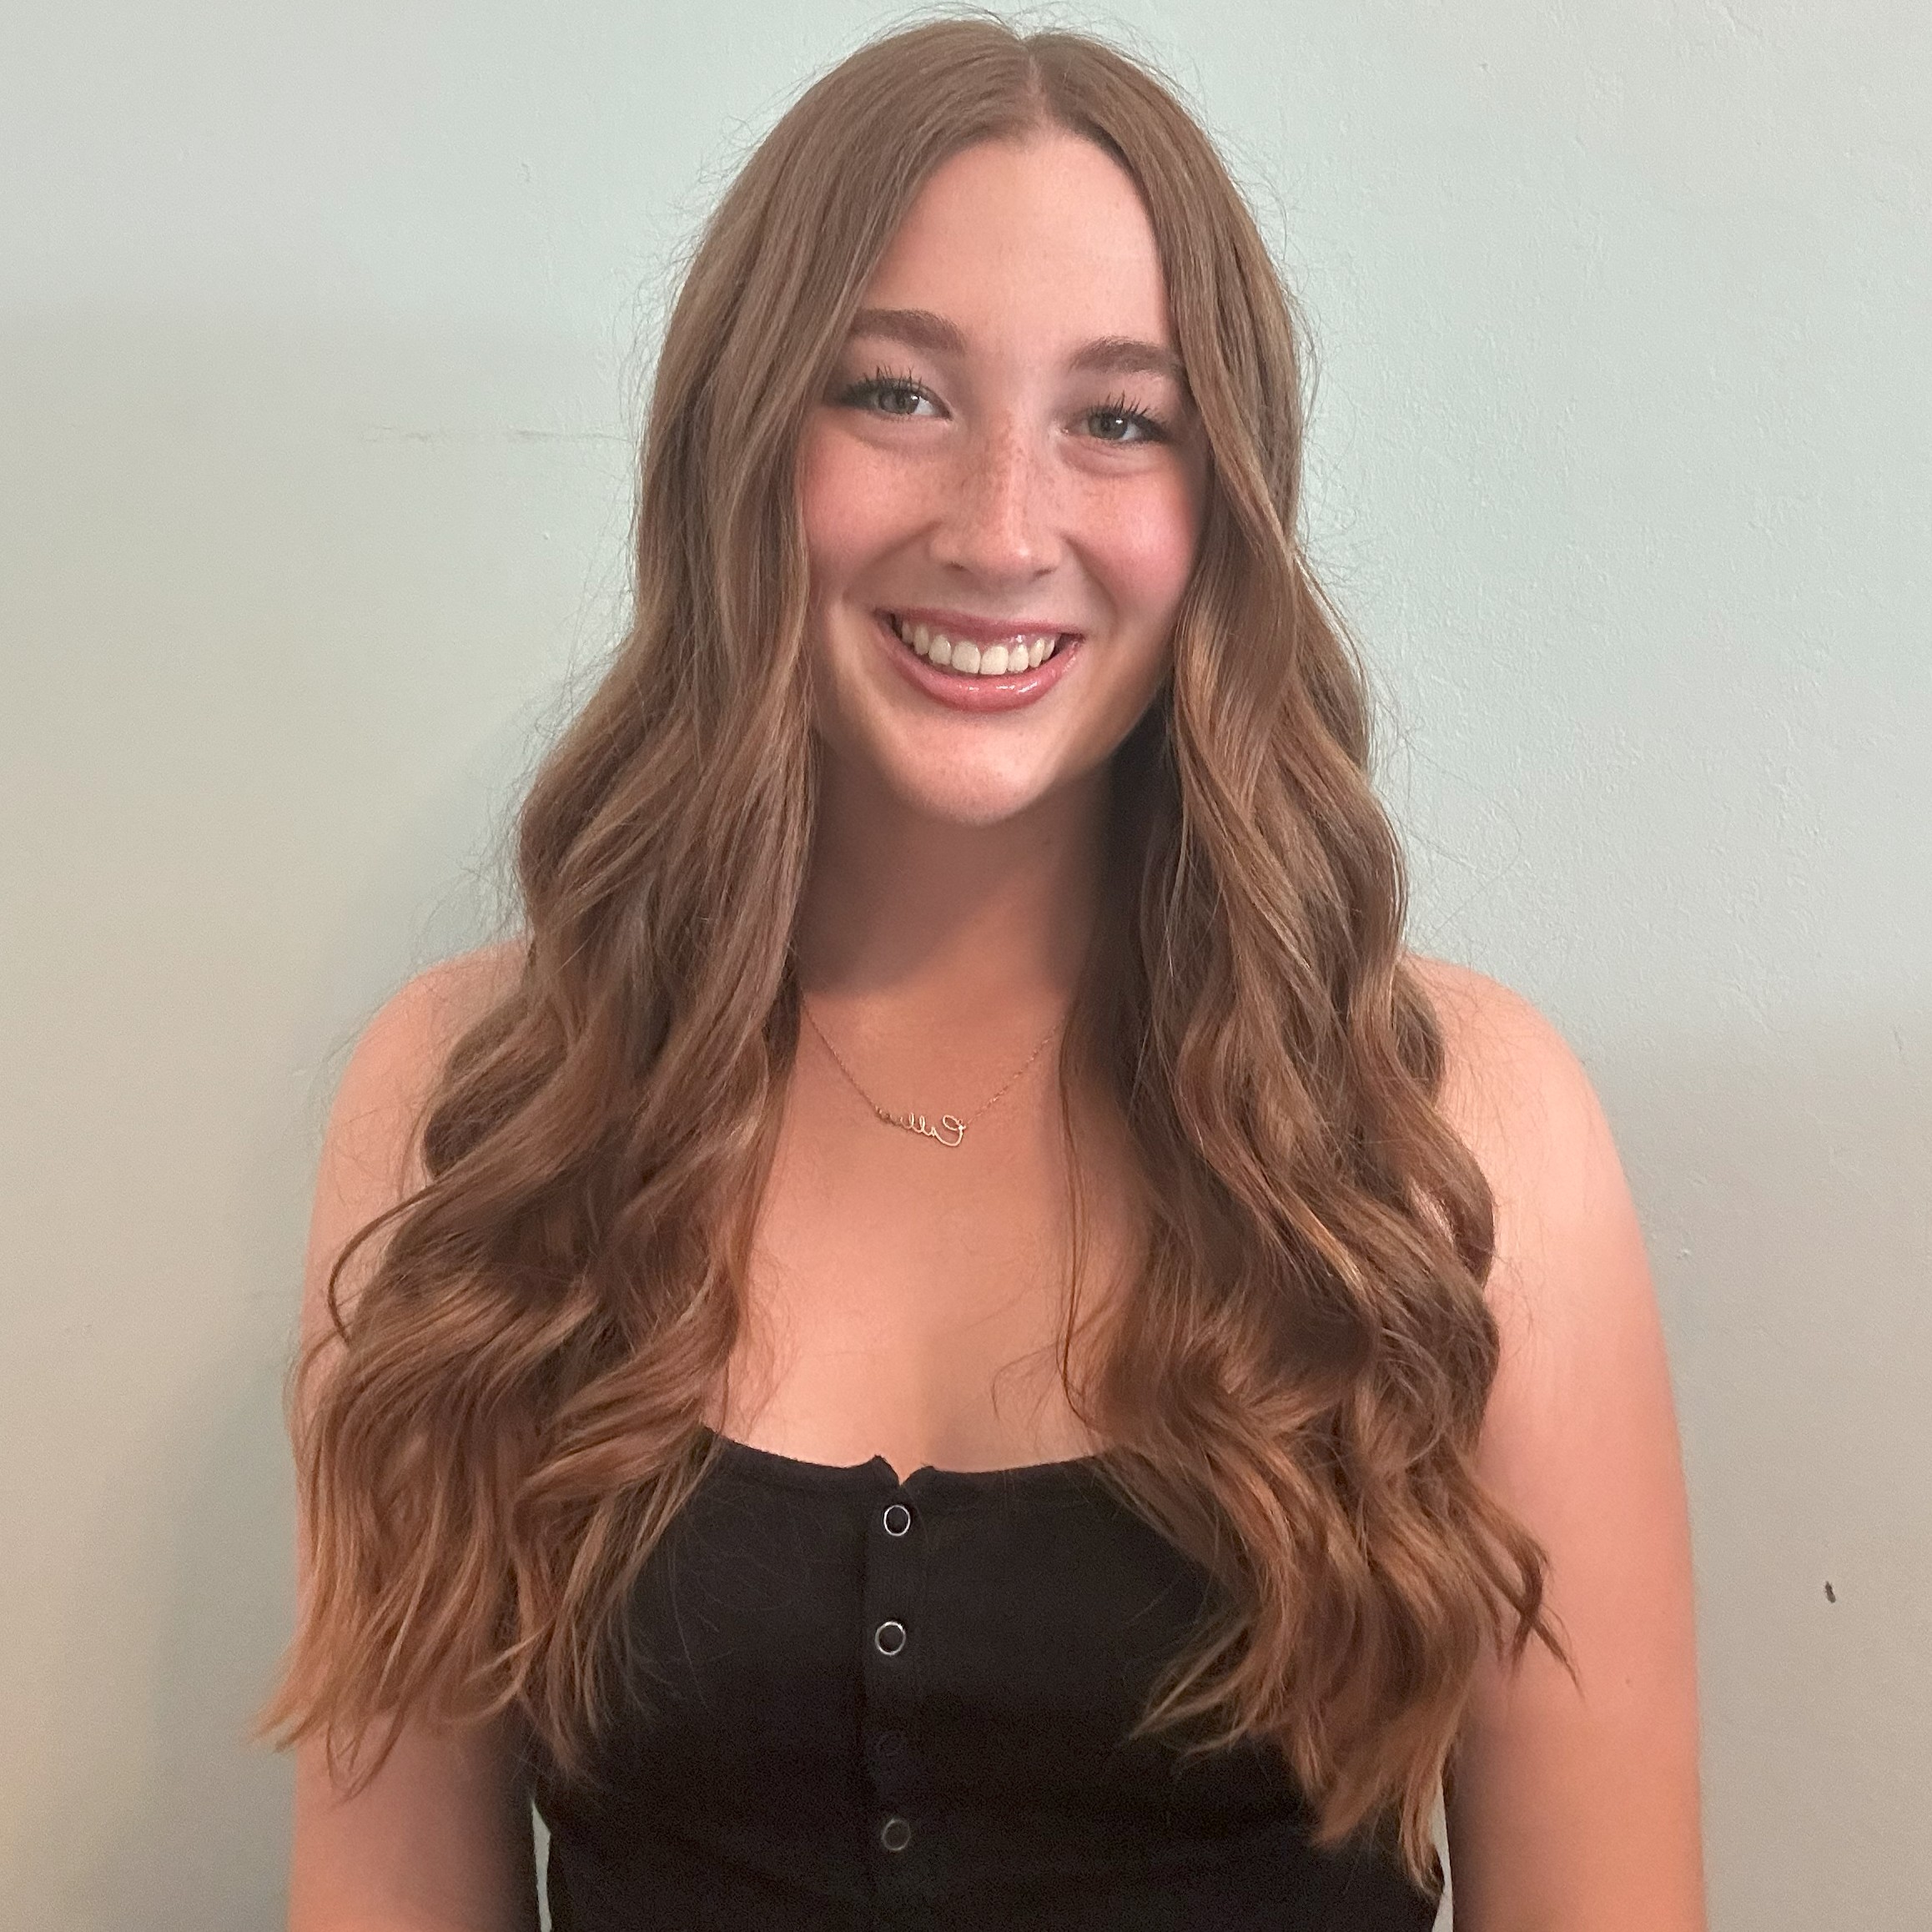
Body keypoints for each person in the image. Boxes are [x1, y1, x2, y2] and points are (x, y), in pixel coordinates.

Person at [266, 18, 1703, 1931]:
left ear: (1225, 507)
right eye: (895, 394)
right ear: (740, 440)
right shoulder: (472, 1109)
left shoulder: (1462, 1132)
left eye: (1119, 418)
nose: (1002, 528)